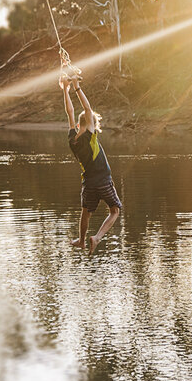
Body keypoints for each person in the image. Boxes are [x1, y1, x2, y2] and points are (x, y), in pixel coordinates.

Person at [61, 76, 122, 253]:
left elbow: (70, 112)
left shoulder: (72, 139)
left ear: (78, 124)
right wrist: (76, 86)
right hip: (103, 180)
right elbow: (87, 109)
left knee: (86, 212)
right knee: (115, 211)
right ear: (92, 125)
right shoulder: (90, 136)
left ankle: (81, 241)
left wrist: (65, 90)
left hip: (88, 183)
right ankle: (97, 237)